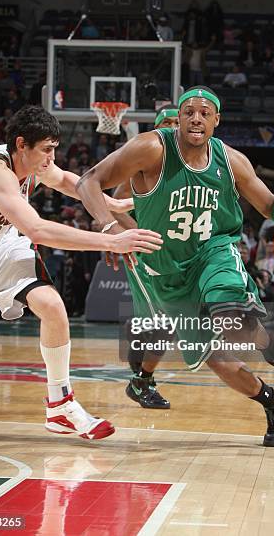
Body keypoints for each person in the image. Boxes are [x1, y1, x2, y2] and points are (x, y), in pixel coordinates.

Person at [77, 87, 274, 448]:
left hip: (214, 252)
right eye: (189, 112)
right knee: (215, 358)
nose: (196, 118)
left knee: (231, 313)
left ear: (216, 120)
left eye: (204, 113)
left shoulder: (231, 160)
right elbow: (89, 181)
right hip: (166, 271)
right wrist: (109, 229)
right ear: (178, 118)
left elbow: (269, 204)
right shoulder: (151, 149)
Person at [0, 106, 163, 440]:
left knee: (53, 307)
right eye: (47, 149)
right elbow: (38, 230)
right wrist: (111, 241)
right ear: (21, 144)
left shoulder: (33, 162)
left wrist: (112, 206)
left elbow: (67, 181)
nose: (51, 157)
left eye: (55, 149)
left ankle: (60, 406)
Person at [112, 104, 179, 409]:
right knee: (168, 320)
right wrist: (137, 234)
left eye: (176, 122)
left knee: (162, 320)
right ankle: (142, 384)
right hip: (144, 251)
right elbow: (114, 207)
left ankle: (137, 339)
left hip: (173, 253)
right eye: (166, 121)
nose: (173, 126)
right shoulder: (143, 162)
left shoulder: (186, 165)